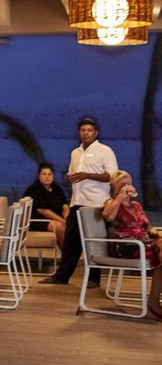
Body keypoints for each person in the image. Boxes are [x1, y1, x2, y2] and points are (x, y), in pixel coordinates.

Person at [40, 116, 118, 288]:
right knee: (71, 241)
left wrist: (86, 175)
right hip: (77, 202)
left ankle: (93, 279)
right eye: (83, 130)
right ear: (79, 133)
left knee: (94, 241)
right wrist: (69, 176)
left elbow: (112, 177)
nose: (86, 133)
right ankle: (62, 276)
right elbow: (73, 172)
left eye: (89, 130)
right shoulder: (75, 152)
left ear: (96, 133)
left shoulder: (105, 151)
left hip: (96, 203)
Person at [102, 170, 162, 319]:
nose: (127, 187)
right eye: (122, 185)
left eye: (129, 183)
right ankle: (153, 305)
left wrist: (159, 235)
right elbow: (108, 217)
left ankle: (153, 305)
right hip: (124, 245)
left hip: (143, 244)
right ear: (114, 188)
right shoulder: (110, 203)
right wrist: (120, 197)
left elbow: (149, 229)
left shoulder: (136, 205)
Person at [23, 161, 69, 250]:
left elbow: (64, 205)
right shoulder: (34, 190)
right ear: (39, 176)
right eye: (44, 174)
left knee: (73, 225)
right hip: (36, 222)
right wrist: (64, 221)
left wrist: (68, 219)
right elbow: (44, 211)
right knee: (60, 227)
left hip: (54, 220)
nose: (47, 177)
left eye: (49, 174)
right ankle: (66, 257)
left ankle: (74, 254)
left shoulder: (56, 188)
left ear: (53, 176)